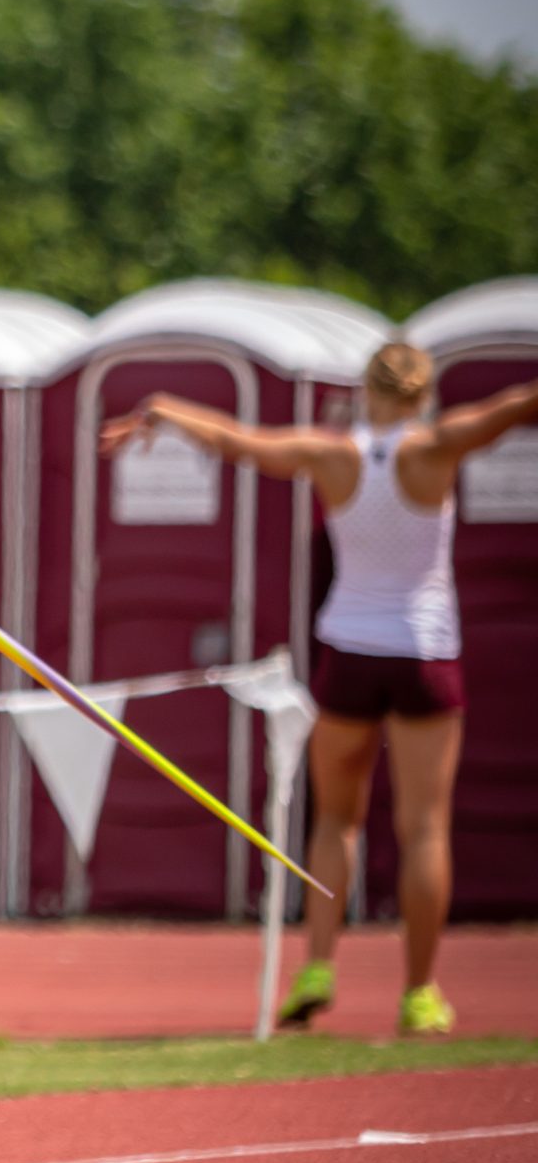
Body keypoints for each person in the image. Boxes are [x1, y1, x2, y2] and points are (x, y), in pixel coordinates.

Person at [101, 341, 538, 1035]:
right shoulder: (437, 446)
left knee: (337, 819)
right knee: (425, 827)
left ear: (365, 391)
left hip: (350, 651)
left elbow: (240, 442)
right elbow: (517, 406)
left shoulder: (333, 453)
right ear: (423, 394)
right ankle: (420, 993)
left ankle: (319, 965)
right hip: (425, 652)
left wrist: (159, 408)